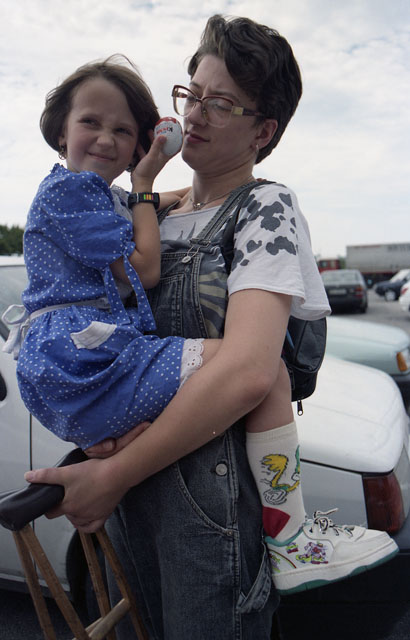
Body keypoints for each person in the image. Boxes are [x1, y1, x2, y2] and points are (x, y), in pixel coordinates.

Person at [21, 16, 397, 639]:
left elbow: (249, 371)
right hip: (133, 508)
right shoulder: (152, 211)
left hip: (209, 514)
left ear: (263, 131)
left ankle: (292, 539)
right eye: (190, 94)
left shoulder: (265, 210)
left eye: (220, 104)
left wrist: (110, 475)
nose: (193, 115)